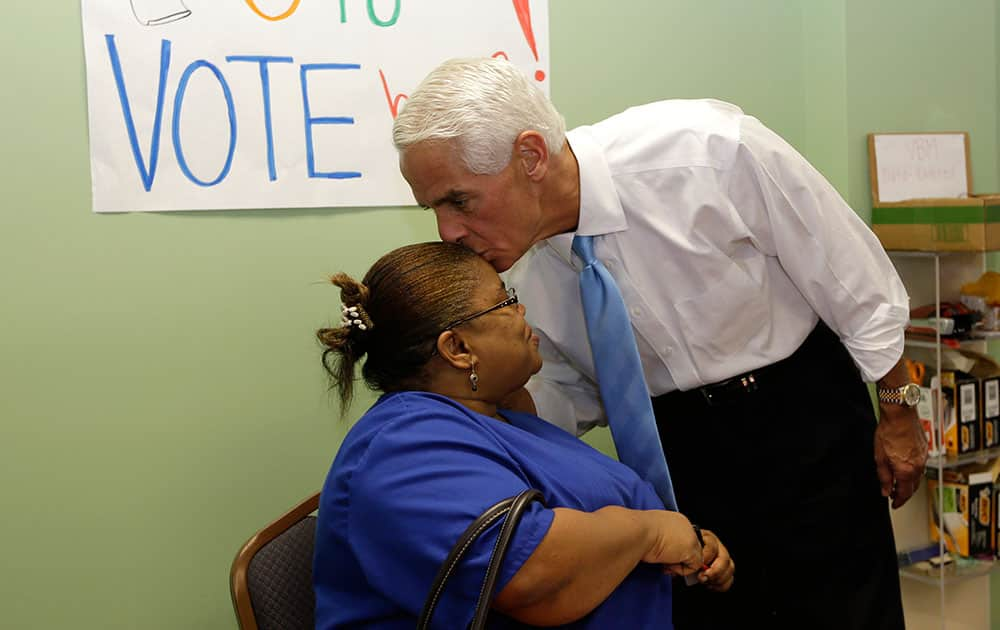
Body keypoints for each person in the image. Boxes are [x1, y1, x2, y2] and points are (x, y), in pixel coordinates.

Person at [391, 57, 927, 629]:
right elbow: (566, 394)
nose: (446, 232)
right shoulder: (510, 282)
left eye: (459, 201)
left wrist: (899, 412)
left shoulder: (705, 153)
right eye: (433, 208)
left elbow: (852, 277)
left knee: (846, 610)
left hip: (800, 415)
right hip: (676, 455)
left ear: (530, 157)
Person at [312, 241, 734, 630]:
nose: (522, 310)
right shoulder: (402, 449)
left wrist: (686, 544)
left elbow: (593, 513)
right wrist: (651, 534)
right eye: (505, 301)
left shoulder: (496, 417)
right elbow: (531, 575)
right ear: (457, 348)